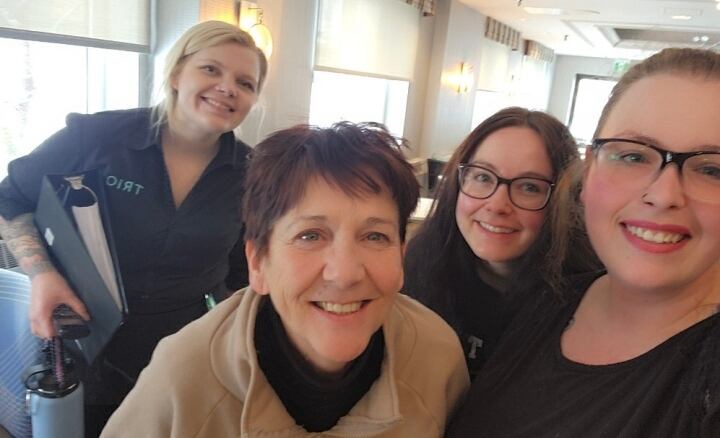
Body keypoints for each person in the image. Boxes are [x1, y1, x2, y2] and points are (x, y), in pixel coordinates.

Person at [446, 48, 720, 437]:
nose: (664, 194)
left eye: (712, 169)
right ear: (588, 173)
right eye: (634, 156)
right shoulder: (549, 300)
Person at [100, 122, 470, 437]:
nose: (344, 274)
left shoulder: (435, 359)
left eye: (375, 237)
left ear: (401, 256)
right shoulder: (182, 382)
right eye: (310, 236)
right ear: (258, 262)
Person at [0, 20, 268, 435]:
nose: (228, 87)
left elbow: (241, 269)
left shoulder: (252, 174)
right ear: (178, 73)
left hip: (184, 350)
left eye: (245, 82)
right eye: (211, 70)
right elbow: (9, 199)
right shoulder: (98, 136)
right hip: (83, 337)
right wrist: (42, 274)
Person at [403, 107, 598, 378]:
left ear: (562, 202)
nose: (497, 205)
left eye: (529, 187)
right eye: (483, 177)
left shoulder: (586, 304)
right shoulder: (419, 264)